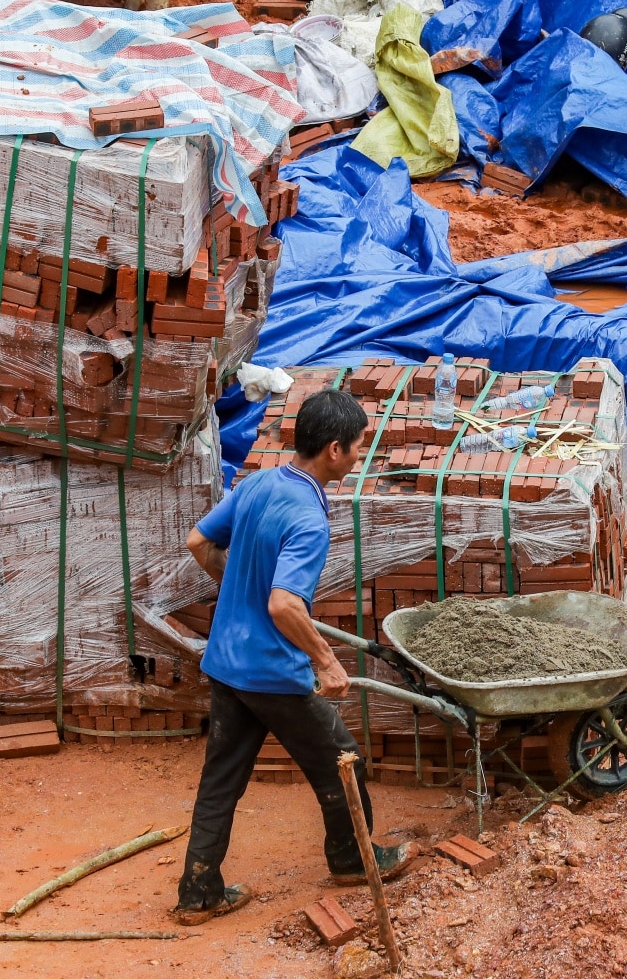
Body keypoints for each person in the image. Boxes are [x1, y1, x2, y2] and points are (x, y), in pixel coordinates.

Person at [173, 389, 410, 926]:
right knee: (340, 759)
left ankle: (198, 892)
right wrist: (326, 661)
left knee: (220, 780)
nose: (358, 455)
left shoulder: (258, 483)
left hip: (225, 662)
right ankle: (354, 860)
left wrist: (237, 586)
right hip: (270, 672)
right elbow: (284, 604)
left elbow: (197, 541)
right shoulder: (308, 518)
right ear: (333, 450)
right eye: (357, 447)